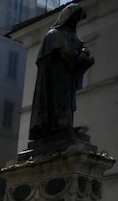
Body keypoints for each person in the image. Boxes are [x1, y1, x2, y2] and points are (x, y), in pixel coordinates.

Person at [28, 3, 94, 141]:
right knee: (57, 100)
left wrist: (84, 53)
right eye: (75, 17)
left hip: (67, 77)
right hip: (55, 77)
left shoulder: (74, 38)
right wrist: (79, 56)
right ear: (68, 17)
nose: (76, 21)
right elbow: (65, 52)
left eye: (78, 18)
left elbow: (84, 47)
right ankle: (57, 127)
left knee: (66, 101)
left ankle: (64, 125)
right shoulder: (54, 34)